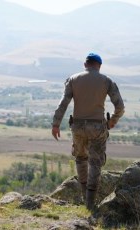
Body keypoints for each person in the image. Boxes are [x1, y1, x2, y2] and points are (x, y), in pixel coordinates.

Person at [51, 53, 125, 210]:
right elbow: (120, 107)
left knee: (80, 159)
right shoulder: (106, 81)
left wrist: (56, 124)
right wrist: (112, 121)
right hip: (97, 127)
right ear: (99, 65)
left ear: (85, 64)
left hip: (77, 127)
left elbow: (63, 103)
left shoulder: (73, 80)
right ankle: (90, 204)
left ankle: (85, 197)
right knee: (95, 162)